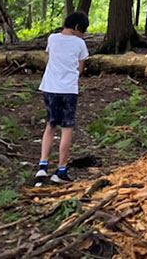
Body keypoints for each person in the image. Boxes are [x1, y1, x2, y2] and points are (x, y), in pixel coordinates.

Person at [35, 12, 90, 185]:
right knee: (67, 128)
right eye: (83, 30)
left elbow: (51, 56)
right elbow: (80, 68)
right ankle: (61, 170)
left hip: (49, 87)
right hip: (68, 89)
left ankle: (42, 166)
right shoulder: (80, 43)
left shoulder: (52, 38)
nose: (83, 34)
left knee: (51, 125)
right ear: (77, 27)